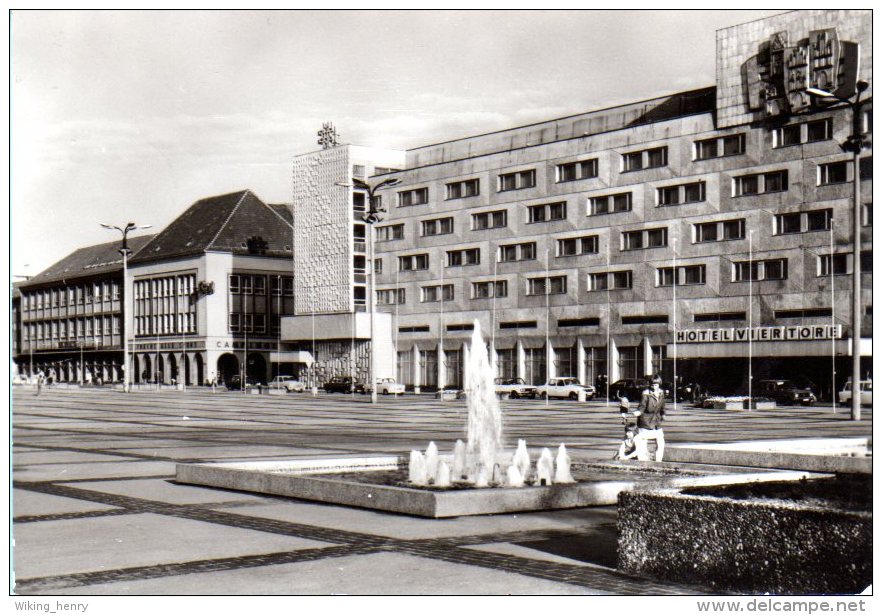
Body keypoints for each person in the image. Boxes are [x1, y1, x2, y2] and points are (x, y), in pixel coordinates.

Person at [634, 374, 666, 462]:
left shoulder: (661, 393)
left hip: (656, 421)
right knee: (643, 441)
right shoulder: (646, 393)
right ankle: (643, 460)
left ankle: (658, 460)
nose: (654, 387)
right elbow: (642, 405)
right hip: (645, 420)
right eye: (652, 385)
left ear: (659, 384)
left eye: (656, 385)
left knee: (660, 441)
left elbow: (663, 404)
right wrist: (639, 412)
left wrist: (663, 413)